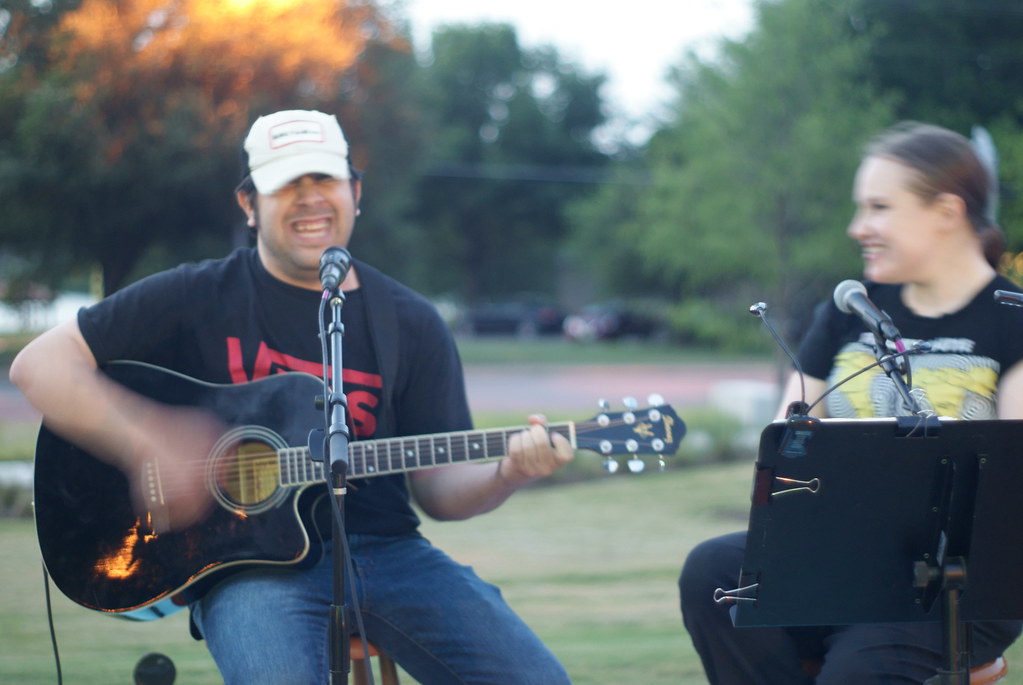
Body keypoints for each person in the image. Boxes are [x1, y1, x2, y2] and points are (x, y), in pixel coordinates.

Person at [11, 109, 574, 685]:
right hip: (247, 570)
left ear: (355, 193)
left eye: (325, 181)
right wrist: (145, 443)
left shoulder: (410, 322)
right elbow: (39, 366)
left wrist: (507, 472)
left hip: (390, 553)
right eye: (287, 185)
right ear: (250, 204)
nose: (310, 200)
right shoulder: (196, 293)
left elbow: (442, 494)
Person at [678, 121, 1023, 684]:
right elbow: (785, 452)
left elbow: (1013, 490)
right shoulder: (848, 306)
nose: (858, 227)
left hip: (958, 582)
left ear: (946, 212)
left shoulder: (1013, 318)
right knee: (714, 573)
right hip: (837, 556)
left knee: (863, 663)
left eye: (879, 208)